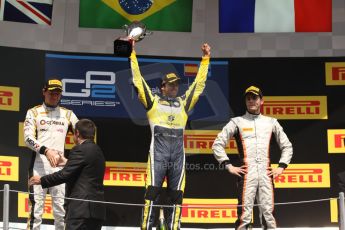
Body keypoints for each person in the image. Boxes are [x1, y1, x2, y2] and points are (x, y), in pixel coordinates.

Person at [130, 42, 211, 230]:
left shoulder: (183, 103)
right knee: (152, 193)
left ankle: (174, 227)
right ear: (162, 86)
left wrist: (205, 59)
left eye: (176, 84)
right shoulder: (153, 102)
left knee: (177, 194)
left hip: (178, 157)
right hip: (157, 155)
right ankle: (146, 227)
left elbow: (198, 86)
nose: (174, 87)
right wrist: (132, 56)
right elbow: (138, 81)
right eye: (170, 84)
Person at [212, 86, 293, 230]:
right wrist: (228, 165)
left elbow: (287, 146)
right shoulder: (236, 122)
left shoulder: (271, 122)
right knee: (244, 215)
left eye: (254, 98)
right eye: (248, 98)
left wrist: (282, 166)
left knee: (268, 214)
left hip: (266, 173)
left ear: (261, 101)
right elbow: (217, 144)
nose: (251, 101)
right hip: (246, 173)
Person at [29, 119, 106, 230]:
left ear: (77, 133)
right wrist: (66, 162)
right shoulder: (98, 151)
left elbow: (64, 175)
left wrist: (41, 180)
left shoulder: (79, 150)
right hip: (97, 212)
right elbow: (84, 170)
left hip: (80, 211)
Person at [24, 79, 78, 230]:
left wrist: (70, 160)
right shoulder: (33, 112)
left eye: (58, 93)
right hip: (38, 167)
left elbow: (82, 137)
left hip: (60, 169)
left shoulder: (68, 114)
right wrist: (46, 150)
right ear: (44, 92)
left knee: (61, 211)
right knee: (36, 211)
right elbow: (28, 138)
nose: (54, 96)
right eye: (51, 93)